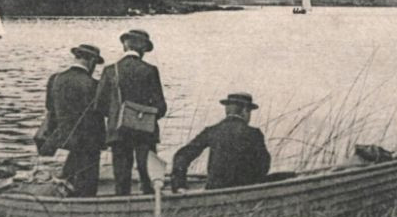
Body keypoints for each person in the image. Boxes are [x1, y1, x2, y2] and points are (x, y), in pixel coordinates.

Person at [92, 28, 167, 196]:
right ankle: (149, 201)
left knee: (121, 175)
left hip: (118, 130)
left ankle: (123, 203)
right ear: (142, 49)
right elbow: (161, 106)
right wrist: (145, 115)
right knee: (147, 171)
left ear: (125, 46)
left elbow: (99, 105)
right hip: (145, 130)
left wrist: (117, 115)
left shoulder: (110, 70)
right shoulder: (150, 70)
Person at [169, 92, 271, 191]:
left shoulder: (212, 131)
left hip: (215, 189)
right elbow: (264, 165)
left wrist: (179, 185)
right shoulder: (254, 134)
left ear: (227, 110)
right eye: (250, 112)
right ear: (245, 111)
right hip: (245, 190)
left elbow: (182, 155)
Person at [40, 44, 105, 197]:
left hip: (63, 137)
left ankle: (66, 195)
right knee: (87, 183)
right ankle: (85, 203)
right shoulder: (93, 84)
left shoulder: (55, 79)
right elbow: (98, 113)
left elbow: (50, 107)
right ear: (91, 61)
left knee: (70, 172)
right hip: (88, 140)